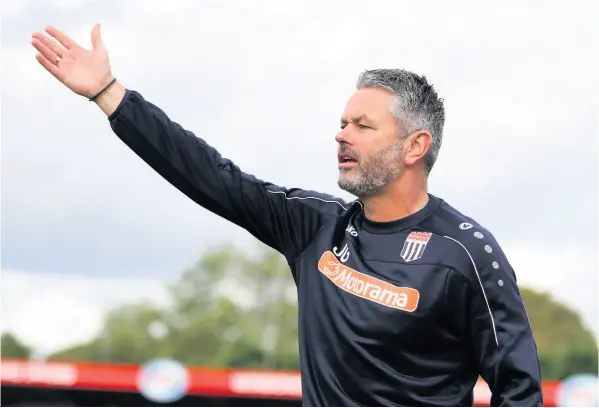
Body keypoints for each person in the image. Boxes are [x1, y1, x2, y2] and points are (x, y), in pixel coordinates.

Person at [31, 24, 543, 407]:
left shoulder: (466, 252)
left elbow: (519, 391)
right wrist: (109, 94)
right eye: (342, 123)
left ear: (415, 146)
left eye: (362, 126)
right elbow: (212, 175)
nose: (341, 135)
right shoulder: (316, 226)